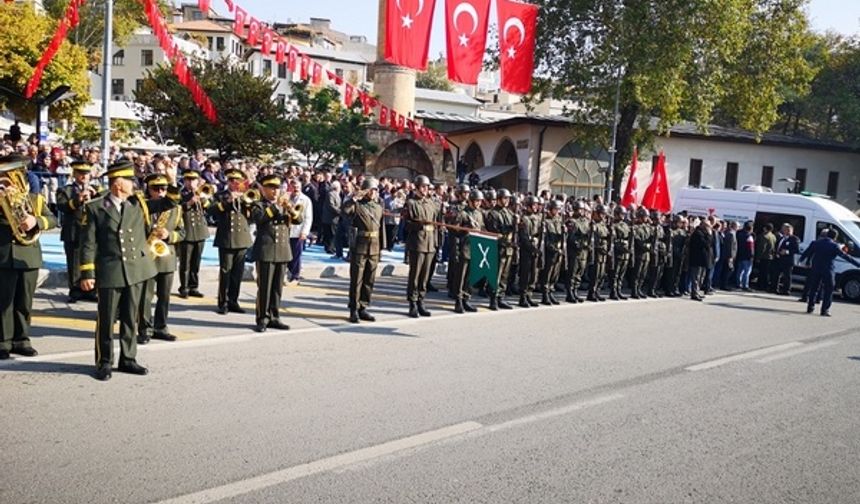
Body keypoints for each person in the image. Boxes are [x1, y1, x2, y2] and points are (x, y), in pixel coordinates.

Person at [79, 159, 177, 381]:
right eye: (130, 180)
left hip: (136, 269)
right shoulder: (95, 208)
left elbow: (170, 203)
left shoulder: (137, 204)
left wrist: (171, 179)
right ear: (117, 183)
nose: (134, 184)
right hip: (111, 270)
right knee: (105, 319)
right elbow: (88, 243)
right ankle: (104, 361)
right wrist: (87, 273)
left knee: (130, 317)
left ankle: (128, 358)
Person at [0, 154, 57, 360]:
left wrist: (36, 221)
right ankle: (3, 341)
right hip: (4, 255)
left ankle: (22, 340)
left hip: (29, 256)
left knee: (24, 301)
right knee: (4, 302)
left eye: (13, 173)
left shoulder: (35, 199)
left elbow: (53, 220)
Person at [249, 174, 301, 332]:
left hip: (282, 250)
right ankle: (262, 318)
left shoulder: (286, 204)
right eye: (271, 188)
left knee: (277, 287)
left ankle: (275, 316)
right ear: (263, 189)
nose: (275, 191)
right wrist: (276, 207)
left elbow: (298, 220)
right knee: (264, 287)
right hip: (266, 250)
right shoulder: (258, 204)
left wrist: (290, 208)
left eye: (277, 188)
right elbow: (259, 219)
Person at [137, 174, 185, 344]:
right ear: (148, 190)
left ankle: (161, 327)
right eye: (155, 188)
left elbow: (182, 232)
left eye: (163, 188)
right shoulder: (142, 207)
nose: (160, 192)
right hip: (147, 256)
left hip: (166, 257)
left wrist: (169, 235)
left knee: (164, 296)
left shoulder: (176, 208)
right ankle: (145, 329)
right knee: (145, 297)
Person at [208, 168, 254, 315]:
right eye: (232, 181)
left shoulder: (247, 196)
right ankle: (223, 302)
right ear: (228, 181)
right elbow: (212, 210)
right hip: (226, 239)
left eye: (238, 181)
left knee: (237, 273)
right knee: (226, 271)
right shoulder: (221, 195)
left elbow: (253, 216)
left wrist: (246, 201)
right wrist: (229, 200)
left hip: (242, 238)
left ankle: (234, 300)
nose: (235, 183)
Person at [55, 160, 101, 303]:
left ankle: (91, 289)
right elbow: (62, 206)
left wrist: (97, 195)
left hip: (92, 232)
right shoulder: (66, 190)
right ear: (74, 174)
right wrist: (78, 199)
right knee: (74, 261)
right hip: (73, 230)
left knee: (92, 260)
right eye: (81, 173)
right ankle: (75, 289)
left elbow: (105, 204)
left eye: (86, 173)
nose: (84, 176)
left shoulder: (96, 189)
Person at [342, 177, 385, 323]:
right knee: (357, 279)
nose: (373, 193)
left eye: (375, 190)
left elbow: (381, 228)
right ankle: (353, 308)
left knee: (369, 279)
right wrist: (354, 198)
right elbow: (345, 211)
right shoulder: (357, 205)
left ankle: (363, 307)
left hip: (374, 246)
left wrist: (382, 247)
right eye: (370, 190)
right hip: (360, 245)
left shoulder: (378, 207)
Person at [799, 228, 860, 316]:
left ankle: (810, 307)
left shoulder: (816, 243)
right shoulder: (834, 246)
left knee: (814, 288)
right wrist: (857, 264)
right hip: (828, 270)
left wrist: (802, 260)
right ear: (835, 237)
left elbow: (807, 253)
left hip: (816, 268)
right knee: (829, 289)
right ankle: (824, 310)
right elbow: (845, 256)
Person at [403, 175, 439, 318]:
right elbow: (406, 225)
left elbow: (436, 224)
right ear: (417, 188)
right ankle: (412, 302)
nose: (426, 190)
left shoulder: (431, 204)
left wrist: (435, 243)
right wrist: (419, 224)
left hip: (430, 243)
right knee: (415, 275)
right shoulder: (411, 203)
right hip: (417, 242)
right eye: (423, 187)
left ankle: (421, 301)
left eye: (427, 187)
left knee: (425, 276)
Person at [450, 189, 486, 313]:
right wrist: (466, 229)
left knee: (470, 277)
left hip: (475, 247)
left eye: (479, 201)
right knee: (461, 276)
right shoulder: (463, 213)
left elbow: (481, 228)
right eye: (476, 201)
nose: (478, 203)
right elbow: (454, 230)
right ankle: (458, 301)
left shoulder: (479, 214)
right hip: (464, 247)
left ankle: (466, 298)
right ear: (470, 201)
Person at [177, 171, 210, 298]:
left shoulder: (201, 192)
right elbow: (177, 209)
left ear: (197, 181)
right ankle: (184, 287)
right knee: (185, 262)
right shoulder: (181, 194)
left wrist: (202, 197)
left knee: (196, 262)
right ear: (184, 181)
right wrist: (189, 203)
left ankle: (193, 286)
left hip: (200, 231)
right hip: (187, 231)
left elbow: (208, 207)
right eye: (188, 180)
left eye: (193, 180)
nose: (191, 182)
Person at [484, 188, 516, 310]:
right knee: (495, 275)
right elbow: (494, 231)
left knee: (504, 275)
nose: (506, 201)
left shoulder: (509, 213)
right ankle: (493, 299)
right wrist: (506, 236)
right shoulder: (493, 213)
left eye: (508, 198)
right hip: (498, 247)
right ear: (498, 199)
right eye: (504, 198)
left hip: (508, 247)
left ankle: (500, 297)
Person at [287, 177, 313, 283]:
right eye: (294, 186)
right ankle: (287, 273)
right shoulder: (286, 198)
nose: (296, 188)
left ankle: (295, 275)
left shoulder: (305, 200)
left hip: (298, 231)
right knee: (286, 254)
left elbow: (308, 217)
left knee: (296, 255)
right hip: (287, 230)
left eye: (298, 186)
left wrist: (305, 232)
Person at [538, 199, 564, 305]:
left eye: (558, 209)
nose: (557, 211)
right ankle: (545, 294)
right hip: (550, 251)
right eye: (555, 209)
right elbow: (545, 239)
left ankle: (551, 291)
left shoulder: (559, 220)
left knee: (555, 273)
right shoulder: (546, 222)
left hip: (558, 250)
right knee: (547, 273)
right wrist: (552, 248)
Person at [564, 199, 591, 303]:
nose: (582, 211)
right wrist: (579, 244)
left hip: (583, 251)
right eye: (580, 209)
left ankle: (575, 290)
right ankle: (570, 293)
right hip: (575, 251)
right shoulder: (571, 221)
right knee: (572, 272)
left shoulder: (585, 221)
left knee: (580, 272)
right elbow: (571, 237)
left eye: (583, 210)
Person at [518, 196, 542, 307]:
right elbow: (523, 236)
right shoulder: (524, 219)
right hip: (526, 249)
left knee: (534, 274)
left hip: (535, 248)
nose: (536, 207)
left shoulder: (537, 218)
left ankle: (529, 295)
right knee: (525, 274)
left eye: (537, 205)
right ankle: (523, 297)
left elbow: (539, 234)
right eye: (534, 205)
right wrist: (532, 247)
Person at [609, 206, 633, 300]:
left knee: (621, 274)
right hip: (617, 252)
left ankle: (619, 290)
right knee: (615, 274)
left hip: (625, 252)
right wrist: (622, 245)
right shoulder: (613, 225)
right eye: (621, 214)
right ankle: (613, 291)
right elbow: (613, 240)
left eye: (623, 214)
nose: (622, 216)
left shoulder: (625, 225)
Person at [687, 219, 714, 301]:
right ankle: (694, 293)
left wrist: (709, 235)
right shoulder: (698, 233)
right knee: (696, 277)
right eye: (707, 226)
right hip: (697, 259)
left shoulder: (704, 233)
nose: (709, 228)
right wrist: (709, 235)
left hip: (703, 260)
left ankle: (698, 291)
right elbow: (706, 244)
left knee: (701, 277)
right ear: (703, 225)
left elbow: (711, 243)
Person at [772, 223, 800, 295]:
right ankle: (774, 288)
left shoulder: (794, 239)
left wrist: (787, 251)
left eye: (785, 229)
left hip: (788, 261)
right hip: (779, 259)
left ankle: (786, 290)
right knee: (776, 274)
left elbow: (796, 250)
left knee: (787, 276)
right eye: (783, 229)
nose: (783, 230)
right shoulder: (781, 238)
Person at [755, 223, 776, 290]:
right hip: (770, 257)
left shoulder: (764, 236)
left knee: (762, 272)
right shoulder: (773, 236)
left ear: (765, 228)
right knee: (766, 272)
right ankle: (765, 285)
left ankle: (760, 286)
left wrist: (758, 257)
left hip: (764, 257)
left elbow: (762, 248)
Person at [735, 221, 755, 291]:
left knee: (739, 271)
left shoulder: (739, 235)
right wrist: (751, 256)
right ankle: (745, 285)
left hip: (740, 255)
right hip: (747, 257)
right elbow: (750, 248)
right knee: (747, 271)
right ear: (751, 229)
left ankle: (738, 284)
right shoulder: (749, 237)